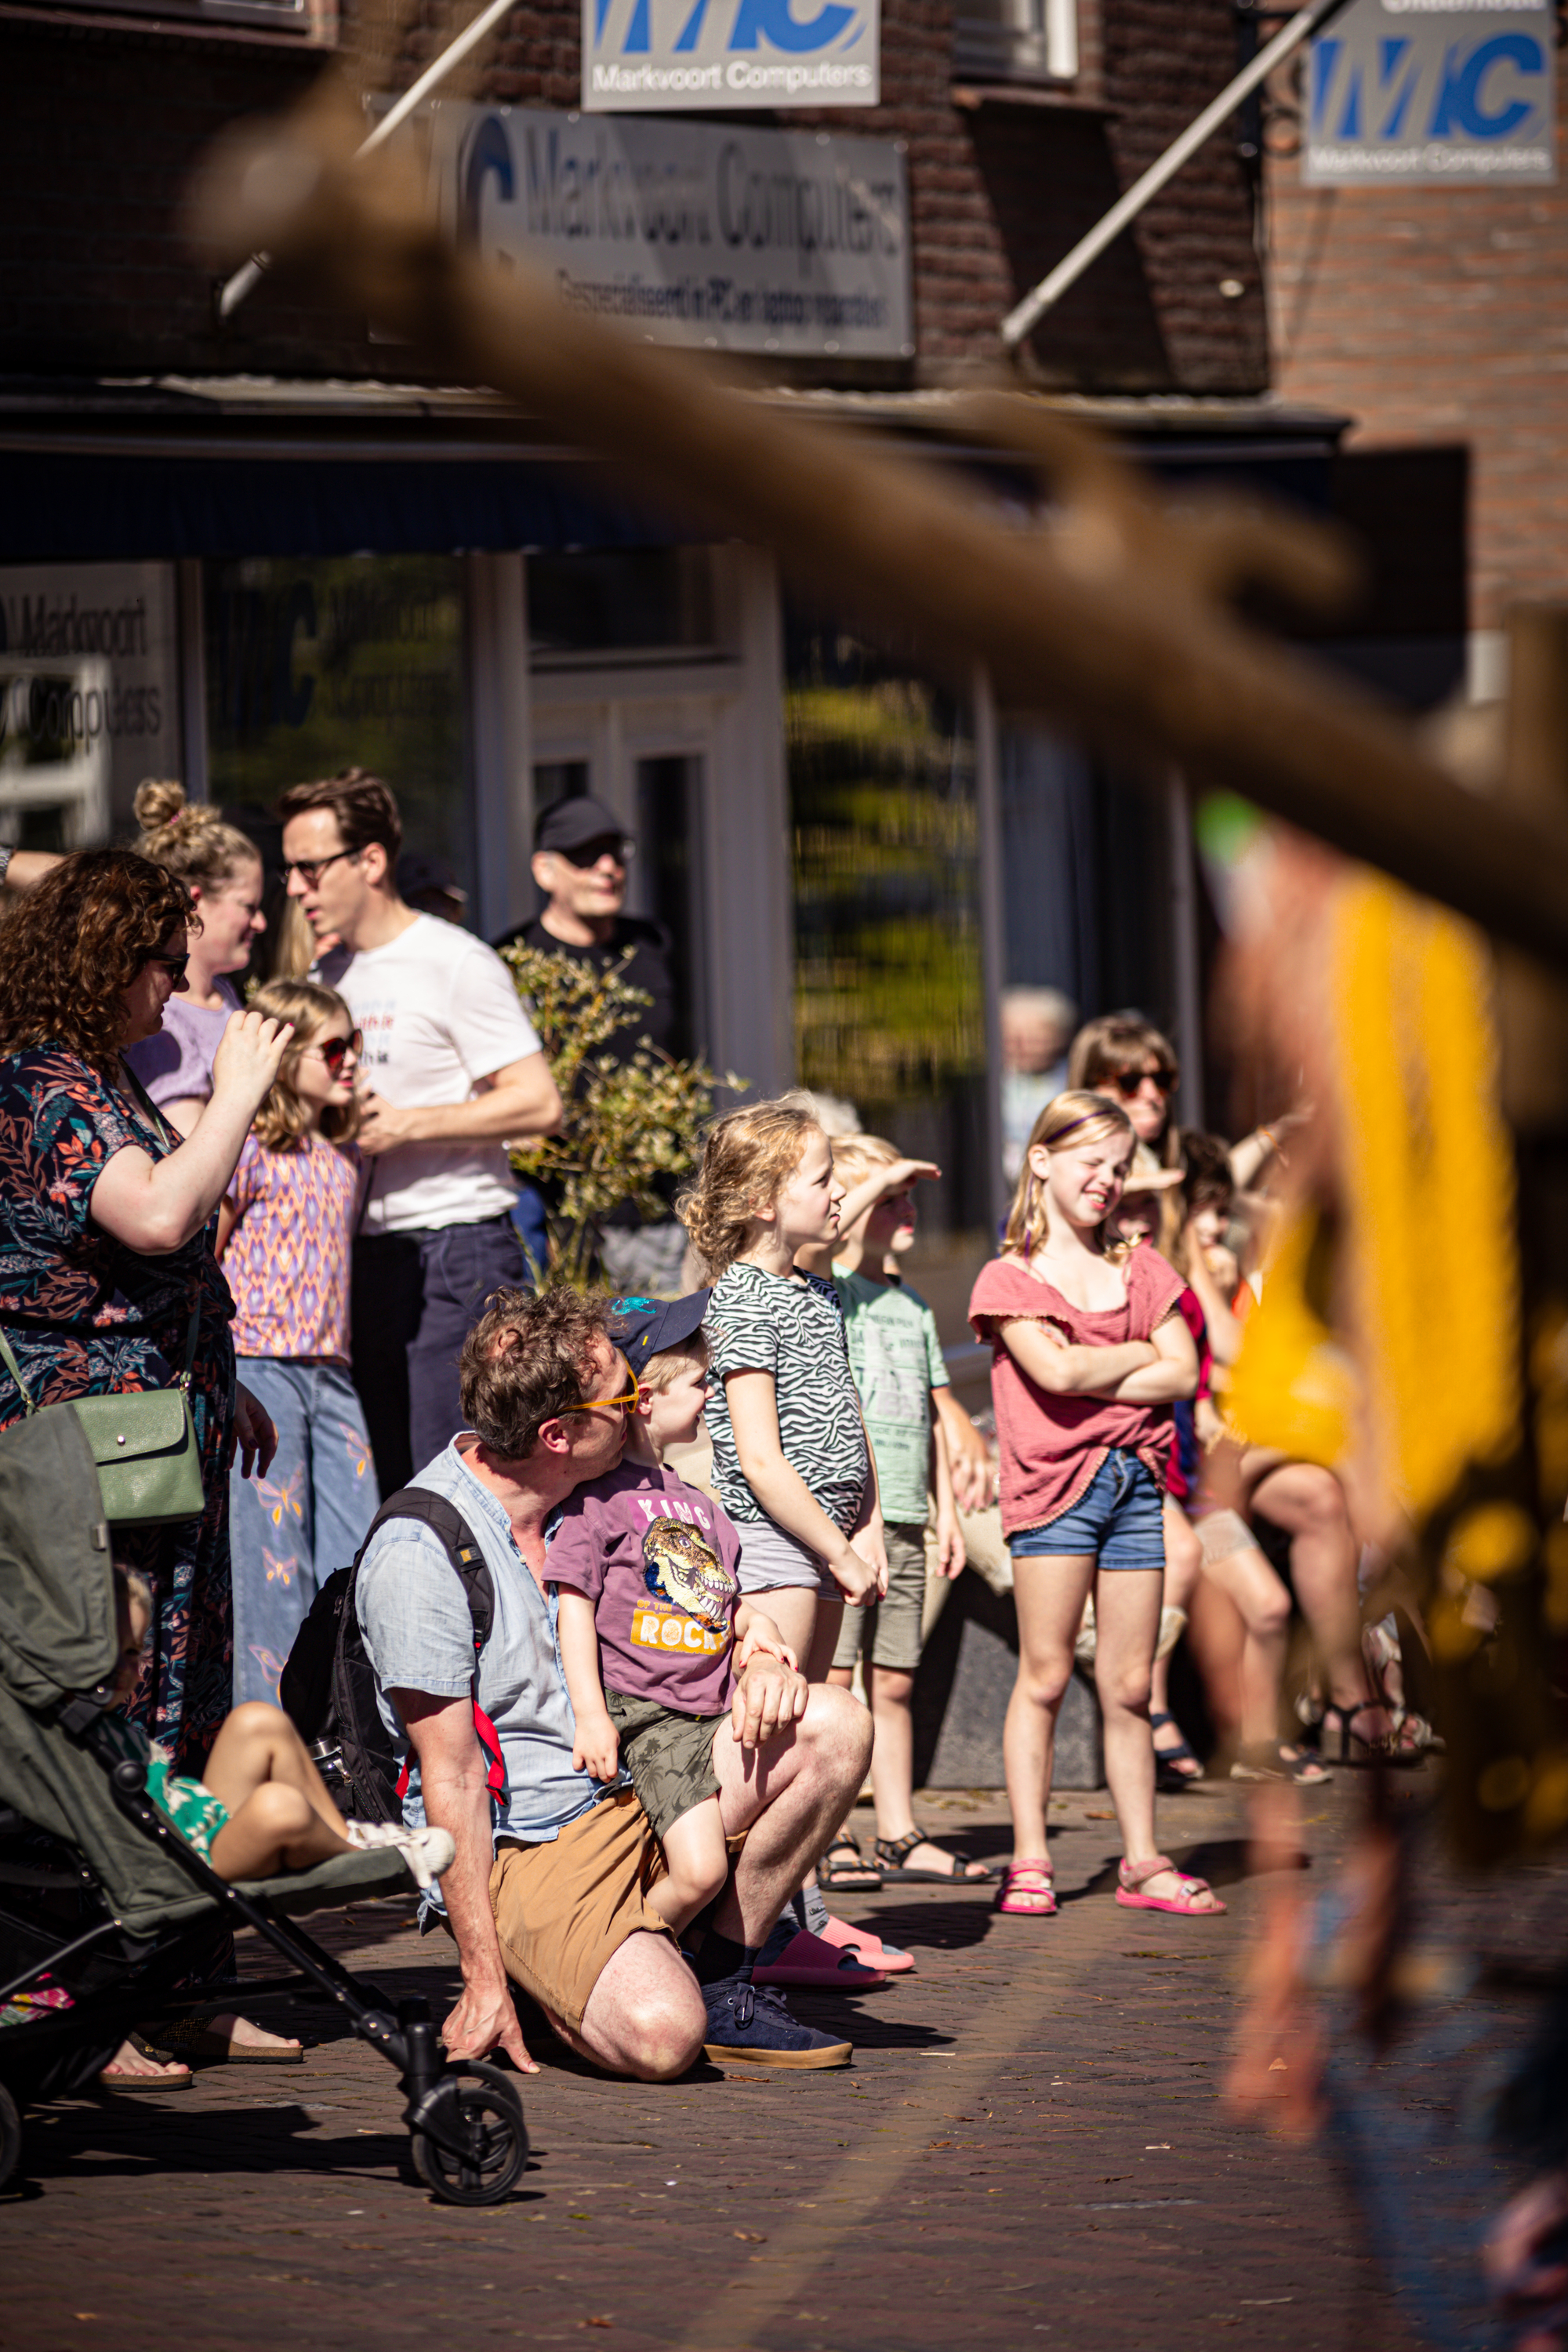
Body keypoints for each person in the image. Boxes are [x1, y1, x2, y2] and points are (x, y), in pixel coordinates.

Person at [354, 1284, 874, 2075]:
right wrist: (481, 1976)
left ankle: (724, 1972)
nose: (640, 1405)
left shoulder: (604, 1493)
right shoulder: (421, 1549)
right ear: (557, 1434)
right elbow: (450, 1777)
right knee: (664, 2037)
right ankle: (547, 1975)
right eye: (624, 1396)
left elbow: (693, 1602)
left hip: (641, 1774)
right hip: (534, 1841)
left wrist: (756, 1642)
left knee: (834, 1725)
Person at [0, 849, 299, 2080]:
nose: (176, 992)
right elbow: (159, 1217)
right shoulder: (40, 1082)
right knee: (109, 1710)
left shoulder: (105, 1073)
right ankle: (88, 1999)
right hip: (88, 1459)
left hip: (161, 1438)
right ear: (97, 962)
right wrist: (233, 1092)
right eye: (160, 966)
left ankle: (184, 1981)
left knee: (182, 1708)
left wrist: (218, 1387)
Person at [967, 1090, 1223, 1922]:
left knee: (1126, 1685)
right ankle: (1030, 1857)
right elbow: (1053, 1376)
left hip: (1134, 1489)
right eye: (1091, 1162)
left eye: (1119, 1167)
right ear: (1039, 1160)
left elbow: (1183, 1373)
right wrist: (1131, 1356)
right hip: (1052, 1495)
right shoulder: (1007, 1278)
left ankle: (1143, 1859)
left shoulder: (1140, 1265)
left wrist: (1092, 1362)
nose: (1107, 1181)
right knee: (1042, 1676)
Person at [278, 769, 562, 1495]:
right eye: (289, 870)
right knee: (389, 1486)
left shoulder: (454, 961)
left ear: (369, 862)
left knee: (465, 1481)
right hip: (358, 1258)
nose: (295, 887)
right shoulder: (324, 969)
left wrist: (410, 1126)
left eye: (309, 868)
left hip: (456, 1249)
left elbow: (538, 1103)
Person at [681, 1099, 896, 1984]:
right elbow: (763, 1460)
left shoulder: (819, 1286)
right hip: (777, 1546)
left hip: (831, 1539)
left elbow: (848, 1419)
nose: (838, 1193)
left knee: (817, 1731)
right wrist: (837, 1551)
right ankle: (739, 1931)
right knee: (780, 1737)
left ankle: (784, 1921)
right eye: (821, 1179)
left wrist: (870, 1526)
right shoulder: (739, 1298)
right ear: (768, 1199)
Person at [550, 1295, 798, 1932]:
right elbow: (572, 1609)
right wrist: (591, 1718)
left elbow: (725, 1599)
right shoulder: (593, 1504)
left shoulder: (700, 1505)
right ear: (646, 1400)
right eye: (698, 1381)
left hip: (712, 1714)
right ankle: (603, 1963)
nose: (712, 1394)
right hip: (648, 1716)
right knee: (700, 1873)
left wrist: (759, 1627)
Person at [811, 1134, 989, 1892]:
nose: (908, 1207)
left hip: (913, 1516)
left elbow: (926, 1410)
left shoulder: (914, 1308)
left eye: (910, 1198)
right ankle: (832, 1830)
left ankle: (897, 1828)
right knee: (840, 1683)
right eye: (890, 1199)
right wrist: (876, 1179)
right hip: (853, 1522)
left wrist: (949, 1512)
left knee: (895, 1681)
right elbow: (833, 1241)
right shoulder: (832, 1291)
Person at [217, 980, 379, 1707]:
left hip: (332, 1372)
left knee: (359, 1541)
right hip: (260, 1365)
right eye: (335, 1048)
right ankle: (270, 1730)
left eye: (357, 1047)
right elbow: (207, 1256)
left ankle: (343, 1720)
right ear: (285, 1058)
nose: (350, 1064)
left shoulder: (345, 1159)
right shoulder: (247, 1145)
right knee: (272, 1559)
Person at [104, 1566, 453, 1887]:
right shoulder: (67, 1733)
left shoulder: (98, 1725)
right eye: (115, 1650)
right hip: (178, 1862)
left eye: (135, 1652)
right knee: (278, 1805)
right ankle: (369, 1862)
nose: (129, 1669)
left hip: (198, 1828)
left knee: (258, 1720)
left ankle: (346, 1835)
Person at [494, 795, 684, 1296]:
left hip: (654, 1204)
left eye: (615, 853)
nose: (607, 868)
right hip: (560, 1209)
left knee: (661, 1353)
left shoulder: (650, 945)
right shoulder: (513, 963)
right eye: (585, 855)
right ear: (545, 870)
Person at [122, 783, 269, 1137]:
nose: (261, 922)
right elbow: (189, 1148)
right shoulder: (160, 1017)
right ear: (197, 901)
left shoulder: (221, 991)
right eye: (248, 906)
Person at [1000, 986, 1076, 1185]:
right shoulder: (992, 1084)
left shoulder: (1073, 1081)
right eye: (1013, 1037)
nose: (1022, 1046)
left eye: (1035, 1037)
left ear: (1060, 1038)